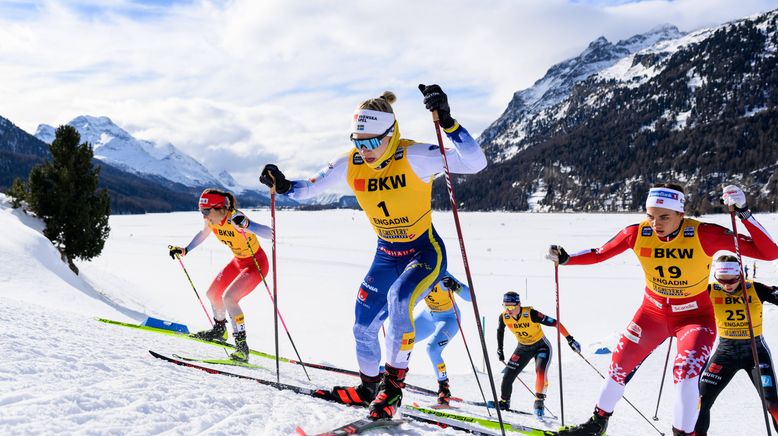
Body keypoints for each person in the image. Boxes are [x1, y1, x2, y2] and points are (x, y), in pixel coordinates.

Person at [258, 84, 487, 420]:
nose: (364, 149)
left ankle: (392, 390)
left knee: (398, 301)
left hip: (423, 252)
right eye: (358, 141)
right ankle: (369, 389)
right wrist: (284, 184)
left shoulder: (414, 156)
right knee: (362, 325)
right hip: (386, 254)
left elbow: (475, 162)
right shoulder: (350, 162)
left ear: (391, 133)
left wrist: (448, 122)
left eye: (371, 142)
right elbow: (307, 189)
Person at [547, 183, 778, 436]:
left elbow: (769, 252)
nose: (656, 223)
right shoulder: (636, 233)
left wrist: (744, 212)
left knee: (686, 374)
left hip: (694, 318)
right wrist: (568, 259)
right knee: (618, 365)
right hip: (651, 315)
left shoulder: (703, 234)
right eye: (651, 216)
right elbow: (600, 253)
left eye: (664, 217)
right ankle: (597, 423)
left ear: (681, 213)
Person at [168, 189, 272, 362]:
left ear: (219, 208)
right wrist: (185, 250)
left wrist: (248, 225)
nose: (204, 216)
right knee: (213, 294)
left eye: (206, 211)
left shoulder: (235, 218)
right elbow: (203, 234)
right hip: (239, 262)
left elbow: (270, 233)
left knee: (229, 298)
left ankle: (242, 348)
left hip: (256, 264)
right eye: (201, 212)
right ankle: (219, 330)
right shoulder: (212, 222)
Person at [695, 254, 778, 435]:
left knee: (772, 404)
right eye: (722, 280)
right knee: (700, 402)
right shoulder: (709, 290)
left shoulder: (755, 287)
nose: (727, 285)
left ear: (740, 274)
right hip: (725, 353)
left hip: (755, 352)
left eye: (732, 280)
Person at [496, 291, 580, 418]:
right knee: (507, 375)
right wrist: (500, 349)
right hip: (522, 348)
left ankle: (539, 400)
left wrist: (570, 339)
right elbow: (500, 331)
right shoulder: (504, 317)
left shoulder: (531, 314)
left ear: (519, 304)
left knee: (540, 372)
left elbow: (555, 323)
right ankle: (504, 402)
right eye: (506, 306)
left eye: (512, 307)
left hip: (541, 347)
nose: (509, 310)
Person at [414, 273, 472, 406]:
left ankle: (444, 388)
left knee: (432, 350)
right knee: (401, 339)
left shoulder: (442, 274)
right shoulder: (416, 273)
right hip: (427, 316)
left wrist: (456, 286)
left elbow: (470, 297)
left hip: (449, 319)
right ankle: (391, 376)